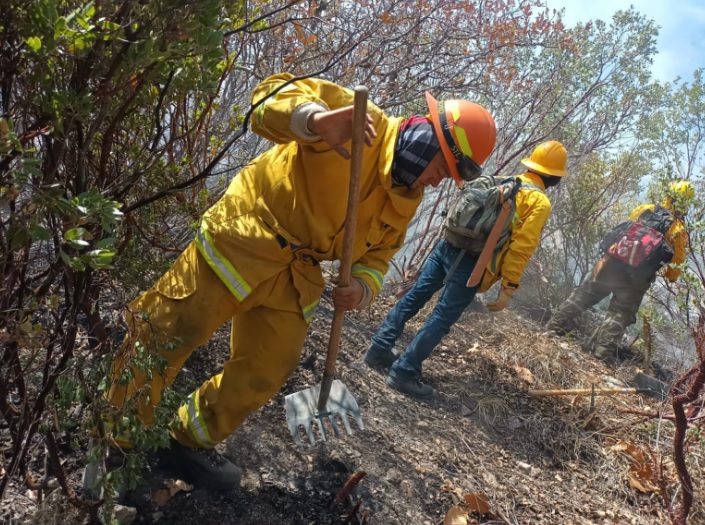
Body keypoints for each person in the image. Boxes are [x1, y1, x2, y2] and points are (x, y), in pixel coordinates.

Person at [95, 73, 497, 491]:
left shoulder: (405, 198)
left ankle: (186, 439)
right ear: (428, 142)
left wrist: (362, 286)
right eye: (441, 169)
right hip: (247, 236)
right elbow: (265, 101)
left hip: (296, 274)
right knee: (170, 331)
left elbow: (379, 256)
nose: (437, 181)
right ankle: (113, 439)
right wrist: (312, 119)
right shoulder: (359, 120)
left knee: (268, 369)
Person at [364, 141, 568, 398]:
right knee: (441, 317)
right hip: (474, 263)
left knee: (416, 295)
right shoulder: (538, 202)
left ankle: (378, 349)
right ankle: (404, 372)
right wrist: (508, 287)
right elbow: (521, 248)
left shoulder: (503, 180)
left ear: (531, 164)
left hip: (448, 244)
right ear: (554, 178)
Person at [545, 180, 692, 364]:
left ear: (668, 195)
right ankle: (601, 356)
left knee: (585, 294)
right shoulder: (678, 229)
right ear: (686, 203)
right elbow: (675, 267)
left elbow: (626, 232)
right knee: (619, 313)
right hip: (637, 277)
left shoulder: (646, 209)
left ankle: (553, 327)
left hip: (613, 262)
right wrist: (668, 275)